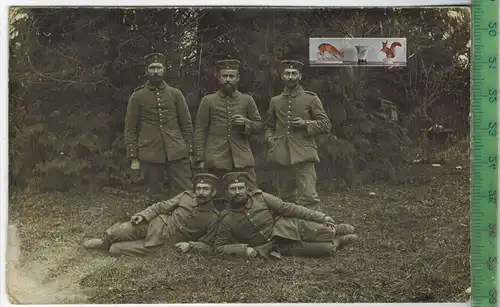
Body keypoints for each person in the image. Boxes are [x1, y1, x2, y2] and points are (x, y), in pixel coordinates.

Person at [211, 172, 358, 259]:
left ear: (247, 189)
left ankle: (336, 229)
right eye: (233, 189)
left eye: (240, 188)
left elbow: (287, 208)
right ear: (226, 192)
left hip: (285, 227)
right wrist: (243, 249)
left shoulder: (260, 197)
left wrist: (320, 216)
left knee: (326, 231)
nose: (237, 192)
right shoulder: (226, 219)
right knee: (327, 249)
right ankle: (339, 241)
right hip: (276, 247)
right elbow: (219, 246)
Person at [82, 173, 220, 257]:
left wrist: (190, 245)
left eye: (206, 189)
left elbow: (209, 244)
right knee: (119, 232)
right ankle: (103, 243)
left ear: (213, 193)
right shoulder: (186, 196)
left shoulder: (214, 217)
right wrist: (143, 215)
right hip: (153, 224)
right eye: (199, 189)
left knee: (115, 250)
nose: (201, 192)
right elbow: (161, 206)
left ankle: (111, 246)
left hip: (163, 244)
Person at [124, 52, 194, 203]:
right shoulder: (137, 96)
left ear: (164, 70)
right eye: (152, 67)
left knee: (185, 192)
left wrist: (188, 150)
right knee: (154, 196)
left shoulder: (175, 94)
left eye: (159, 67)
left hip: (176, 151)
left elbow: (186, 124)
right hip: (150, 152)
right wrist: (133, 157)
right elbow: (130, 128)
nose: (156, 71)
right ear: (146, 71)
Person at [264, 60, 332, 210]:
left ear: (300, 76)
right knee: (285, 198)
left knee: (308, 197)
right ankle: (290, 231)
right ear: (282, 76)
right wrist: (270, 139)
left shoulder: (311, 99)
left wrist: (306, 124)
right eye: (287, 74)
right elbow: (269, 126)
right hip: (282, 155)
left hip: (304, 154)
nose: (290, 77)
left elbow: (326, 125)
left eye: (294, 74)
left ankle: (316, 230)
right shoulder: (275, 101)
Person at [194, 59, 263, 201]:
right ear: (218, 77)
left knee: (251, 195)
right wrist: (200, 158)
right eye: (224, 76)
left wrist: (246, 123)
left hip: (242, 158)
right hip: (216, 158)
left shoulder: (247, 100)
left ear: (237, 78)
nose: (227, 80)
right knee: (219, 197)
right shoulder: (208, 100)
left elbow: (258, 125)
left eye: (231, 76)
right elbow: (200, 130)